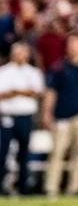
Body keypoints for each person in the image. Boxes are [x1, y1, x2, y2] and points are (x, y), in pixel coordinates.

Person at [43, 35, 78, 196]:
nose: (73, 47)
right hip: (62, 116)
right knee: (57, 152)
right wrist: (47, 113)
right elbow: (51, 92)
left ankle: (74, 188)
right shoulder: (59, 68)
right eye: (71, 44)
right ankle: (51, 187)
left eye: (77, 44)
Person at [0, 42, 45, 194]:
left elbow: (37, 92)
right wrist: (23, 92)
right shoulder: (4, 72)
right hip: (7, 117)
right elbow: (3, 94)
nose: (20, 55)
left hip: (25, 117)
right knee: (2, 153)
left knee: (25, 153)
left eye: (23, 52)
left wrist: (14, 92)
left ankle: (23, 188)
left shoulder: (33, 72)